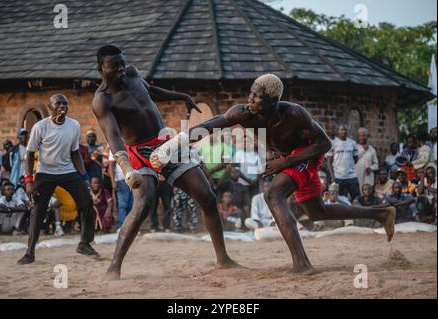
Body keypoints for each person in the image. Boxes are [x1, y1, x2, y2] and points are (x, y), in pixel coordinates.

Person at [152, 73, 396, 273]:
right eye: (250, 94)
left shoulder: (295, 114)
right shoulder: (242, 114)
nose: (250, 100)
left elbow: (324, 144)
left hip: (306, 155)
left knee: (273, 195)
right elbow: (209, 125)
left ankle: (302, 264)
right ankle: (382, 214)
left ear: (273, 100)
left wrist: (285, 162)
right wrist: (174, 144)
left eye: (257, 97)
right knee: (316, 212)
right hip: (289, 159)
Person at [92, 45, 237, 280]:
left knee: (207, 196)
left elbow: (150, 90)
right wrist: (127, 167)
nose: (120, 69)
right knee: (144, 204)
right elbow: (114, 137)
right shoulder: (102, 100)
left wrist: (182, 97)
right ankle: (114, 267)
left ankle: (223, 259)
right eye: (114, 66)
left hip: (166, 143)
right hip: (138, 152)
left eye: (121, 63)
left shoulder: (131, 73)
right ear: (101, 69)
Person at [17, 94, 99, 265]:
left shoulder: (74, 125)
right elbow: (30, 154)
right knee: (37, 211)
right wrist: (29, 181)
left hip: (68, 171)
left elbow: (75, 152)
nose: (62, 106)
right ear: (50, 107)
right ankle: (30, 252)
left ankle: (84, 243)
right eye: (58, 103)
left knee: (87, 204)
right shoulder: (40, 127)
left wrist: (84, 176)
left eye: (65, 103)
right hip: (45, 173)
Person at [326, 124, 361, 201]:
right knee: (340, 199)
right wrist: (332, 176)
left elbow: (356, 158)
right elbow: (329, 161)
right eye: (342, 130)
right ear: (338, 131)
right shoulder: (333, 143)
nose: (344, 131)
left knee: (357, 198)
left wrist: (349, 166)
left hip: (351, 176)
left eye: (345, 130)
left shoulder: (352, 143)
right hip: (338, 176)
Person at [108, 151, 133, 231]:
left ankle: (130, 227)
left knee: (131, 205)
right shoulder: (114, 147)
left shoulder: (133, 143)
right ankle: (120, 227)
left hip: (134, 179)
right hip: (121, 179)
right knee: (123, 205)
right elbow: (111, 166)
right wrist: (113, 182)